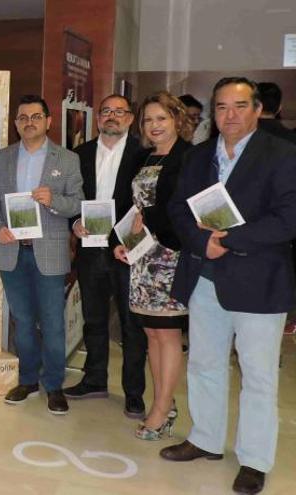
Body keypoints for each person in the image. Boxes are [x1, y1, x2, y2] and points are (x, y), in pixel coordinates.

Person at [162, 77, 296, 495]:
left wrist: (228, 241)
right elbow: (178, 208)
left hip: (259, 280)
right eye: (221, 107)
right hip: (205, 275)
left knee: (258, 376)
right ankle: (205, 438)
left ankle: (254, 459)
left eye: (239, 106)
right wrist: (203, 241)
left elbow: (288, 218)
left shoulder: (283, 155)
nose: (230, 115)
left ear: (258, 109)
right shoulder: (199, 156)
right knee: (205, 363)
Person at [0, 95, 83, 415]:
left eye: (36, 116)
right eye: (23, 117)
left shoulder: (66, 159)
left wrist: (54, 199)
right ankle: (27, 379)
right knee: (23, 322)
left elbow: (77, 203)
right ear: (15, 124)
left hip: (49, 252)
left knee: (52, 323)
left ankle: (53, 386)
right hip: (13, 250)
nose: (29, 122)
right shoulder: (2, 158)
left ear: (48, 121)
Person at [113, 92, 191, 441]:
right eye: (148, 120)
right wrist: (124, 243)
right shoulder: (143, 157)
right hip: (142, 257)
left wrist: (147, 225)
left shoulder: (189, 158)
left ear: (176, 119)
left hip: (170, 257)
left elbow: (183, 209)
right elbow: (130, 207)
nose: (154, 126)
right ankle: (164, 402)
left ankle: (160, 410)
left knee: (168, 334)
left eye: (161, 118)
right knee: (151, 333)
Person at [65, 94, 147, 418]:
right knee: (94, 318)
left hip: (126, 250)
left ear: (130, 118)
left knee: (131, 325)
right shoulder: (78, 154)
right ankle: (95, 379)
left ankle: (134, 393)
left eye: (119, 112)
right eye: (106, 111)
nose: (112, 117)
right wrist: (74, 223)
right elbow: (72, 199)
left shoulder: (145, 156)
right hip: (90, 248)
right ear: (98, 118)